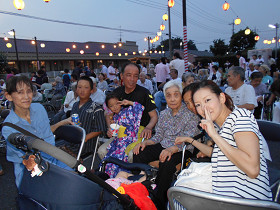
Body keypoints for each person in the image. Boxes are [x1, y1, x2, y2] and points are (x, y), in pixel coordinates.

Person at [175, 80, 272, 201]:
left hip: (245, 201)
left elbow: (252, 170)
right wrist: (193, 140)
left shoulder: (240, 117)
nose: (203, 108)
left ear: (221, 98)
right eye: (198, 104)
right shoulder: (221, 125)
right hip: (225, 197)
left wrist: (214, 136)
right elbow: (220, 153)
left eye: (207, 100)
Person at [133, 80, 200, 209]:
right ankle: (140, 186)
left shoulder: (191, 115)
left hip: (183, 149)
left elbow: (189, 140)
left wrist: (172, 149)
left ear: (181, 95)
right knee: (139, 152)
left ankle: (159, 199)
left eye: (176, 94)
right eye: (168, 95)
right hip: (164, 145)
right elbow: (158, 136)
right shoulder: (163, 114)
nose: (172, 99)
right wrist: (145, 143)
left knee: (167, 161)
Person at [2, 76, 72, 188]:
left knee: (78, 180)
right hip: (30, 170)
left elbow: (45, 132)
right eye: (20, 92)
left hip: (53, 158)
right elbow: (26, 160)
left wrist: (62, 123)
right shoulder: (9, 128)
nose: (26, 97)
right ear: (8, 96)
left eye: (29, 91)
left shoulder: (39, 108)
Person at [109, 63, 157, 140]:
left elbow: (154, 116)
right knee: (102, 151)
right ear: (122, 76)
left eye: (135, 76)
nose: (132, 79)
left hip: (140, 133)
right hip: (120, 134)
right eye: (129, 75)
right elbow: (108, 112)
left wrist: (148, 127)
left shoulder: (145, 93)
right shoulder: (116, 93)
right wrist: (110, 127)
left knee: (131, 152)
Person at [101, 94, 144, 177]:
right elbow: (115, 133)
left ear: (120, 102)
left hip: (129, 139)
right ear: (109, 108)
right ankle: (110, 178)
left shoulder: (128, 110)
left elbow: (140, 107)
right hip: (119, 141)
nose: (115, 107)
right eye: (111, 106)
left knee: (118, 160)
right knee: (109, 160)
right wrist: (110, 132)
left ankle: (118, 177)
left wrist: (129, 102)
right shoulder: (115, 118)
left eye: (117, 103)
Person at [71, 76, 107, 155]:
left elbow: (100, 129)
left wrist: (84, 138)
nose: (82, 90)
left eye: (86, 87)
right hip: (72, 141)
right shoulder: (75, 105)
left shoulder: (96, 108)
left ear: (91, 90)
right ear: (76, 89)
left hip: (86, 145)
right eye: (79, 87)